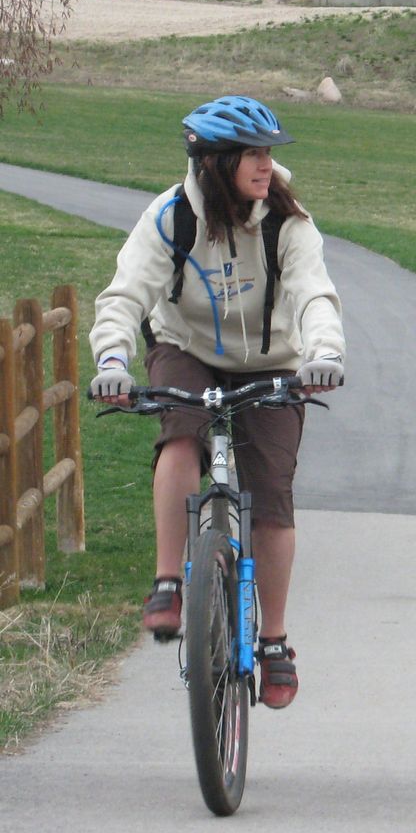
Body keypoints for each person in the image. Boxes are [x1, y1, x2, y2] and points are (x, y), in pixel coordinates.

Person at [89, 95, 345, 710]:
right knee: (180, 434)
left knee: (273, 497)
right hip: (188, 347)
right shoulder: (170, 219)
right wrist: (113, 364)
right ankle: (167, 583)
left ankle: (276, 640)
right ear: (216, 162)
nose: (265, 164)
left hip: (273, 361)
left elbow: (314, 295)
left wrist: (324, 356)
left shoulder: (288, 220)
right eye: (253, 153)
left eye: (268, 153)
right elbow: (124, 297)